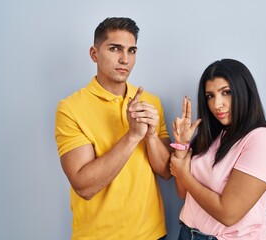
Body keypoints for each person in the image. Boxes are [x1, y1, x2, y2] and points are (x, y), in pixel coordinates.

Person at [55, 17, 171, 240]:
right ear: (94, 54)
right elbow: (84, 187)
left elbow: (166, 172)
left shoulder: (151, 102)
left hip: (152, 233)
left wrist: (152, 136)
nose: (124, 59)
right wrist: (133, 136)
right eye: (114, 48)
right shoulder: (70, 108)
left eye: (132, 50)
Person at [170, 59, 266, 240]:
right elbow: (183, 193)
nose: (217, 104)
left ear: (244, 92)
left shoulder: (261, 139)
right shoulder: (211, 136)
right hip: (188, 234)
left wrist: (183, 174)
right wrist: (182, 145)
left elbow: (228, 214)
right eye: (210, 96)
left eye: (226, 92)